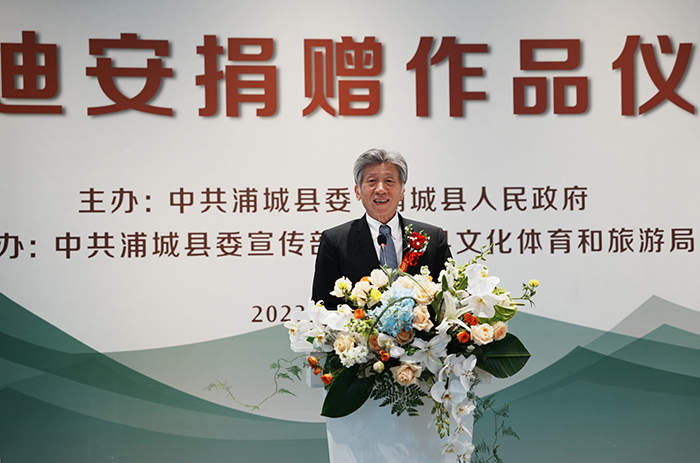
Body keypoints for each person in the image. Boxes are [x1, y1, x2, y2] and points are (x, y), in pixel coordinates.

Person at [312, 148, 452, 308]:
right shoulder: (335, 241)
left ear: (402, 191)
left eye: (389, 181)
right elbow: (323, 306)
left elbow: (449, 299)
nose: (380, 189)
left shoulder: (432, 238)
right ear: (357, 191)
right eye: (372, 181)